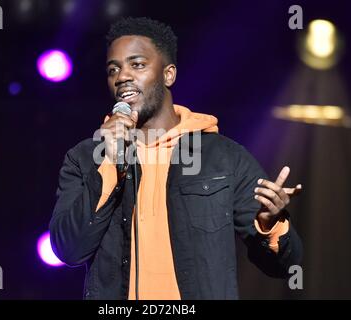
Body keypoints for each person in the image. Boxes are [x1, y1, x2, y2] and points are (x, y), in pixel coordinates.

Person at [49, 17, 303, 300]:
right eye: (113, 69)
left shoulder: (223, 157)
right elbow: (68, 250)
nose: (122, 77)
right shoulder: (84, 158)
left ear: (168, 75)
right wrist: (109, 163)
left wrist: (270, 223)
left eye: (137, 64)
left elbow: (284, 265)